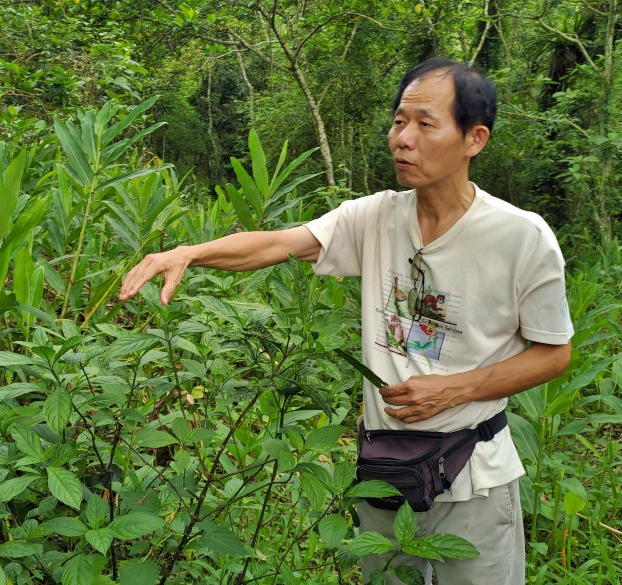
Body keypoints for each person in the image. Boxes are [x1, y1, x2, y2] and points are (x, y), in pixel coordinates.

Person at [119, 57, 573, 584]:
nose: (403, 138)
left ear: (474, 138)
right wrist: (190, 252)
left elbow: (554, 353)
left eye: (426, 124)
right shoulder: (375, 216)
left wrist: (454, 390)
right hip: (385, 472)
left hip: (473, 473)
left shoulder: (521, 237)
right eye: (399, 121)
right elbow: (277, 243)